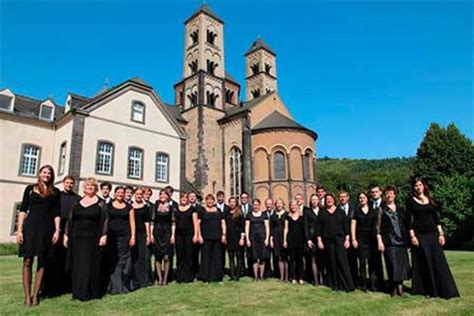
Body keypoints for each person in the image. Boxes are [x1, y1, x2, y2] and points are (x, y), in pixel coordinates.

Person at [406, 177, 459, 299]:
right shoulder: (410, 201)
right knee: (425, 263)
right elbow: (409, 222)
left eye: (420, 185)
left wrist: (441, 234)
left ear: (423, 186)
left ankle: (445, 290)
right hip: (420, 235)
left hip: (433, 235)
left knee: (438, 262)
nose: (418, 187)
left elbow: (437, 219)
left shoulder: (430, 200)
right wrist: (413, 236)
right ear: (413, 188)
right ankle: (428, 290)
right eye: (416, 186)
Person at [16, 165, 60, 306]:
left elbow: (56, 213)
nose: (46, 175)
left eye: (49, 173)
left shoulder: (55, 191)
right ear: (40, 173)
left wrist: (57, 230)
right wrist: (19, 230)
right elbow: (23, 210)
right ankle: (27, 296)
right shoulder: (30, 189)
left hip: (47, 229)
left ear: (51, 176)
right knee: (27, 261)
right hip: (30, 227)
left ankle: (36, 295)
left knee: (42, 262)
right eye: (44, 172)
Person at [63, 177, 108, 301]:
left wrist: (104, 235)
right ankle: (77, 292)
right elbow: (70, 218)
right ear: (84, 188)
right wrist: (66, 234)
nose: (90, 187)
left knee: (90, 265)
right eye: (88, 185)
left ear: (96, 189)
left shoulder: (100, 202)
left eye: (92, 186)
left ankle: (90, 292)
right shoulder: (78, 201)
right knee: (78, 265)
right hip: (77, 238)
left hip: (93, 238)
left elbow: (105, 220)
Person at [43, 175, 80, 296]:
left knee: (68, 259)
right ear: (63, 183)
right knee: (54, 259)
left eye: (71, 183)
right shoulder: (57, 196)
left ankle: (66, 286)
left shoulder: (77, 198)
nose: (69, 185)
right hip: (57, 229)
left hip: (70, 230)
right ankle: (51, 287)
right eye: (67, 183)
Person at [376, 185, 410, 297]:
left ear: (395, 195)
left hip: (401, 242)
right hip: (389, 242)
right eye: (387, 193)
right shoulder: (381, 209)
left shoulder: (401, 208)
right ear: (384, 196)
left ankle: (400, 288)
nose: (389, 195)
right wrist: (380, 241)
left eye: (391, 193)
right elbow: (378, 228)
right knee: (392, 265)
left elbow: (405, 224)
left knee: (402, 266)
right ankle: (393, 289)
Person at [316, 193, 354, 292]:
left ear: (334, 200)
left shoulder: (340, 212)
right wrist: (319, 241)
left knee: (342, 261)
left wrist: (347, 239)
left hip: (340, 240)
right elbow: (319, 228)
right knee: (331, 262)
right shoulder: (322, 212)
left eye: (330, 199)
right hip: (328, 240)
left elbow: (346, 227)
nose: (329, 200)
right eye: (327, 199)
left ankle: (347, 285)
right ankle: (335, 284)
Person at [106, 186, 136, 294]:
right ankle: (114, 285)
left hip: (125, 237)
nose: (120, 194)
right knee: (113, 260)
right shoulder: (108, 206)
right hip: (111, 237)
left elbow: (132, 222)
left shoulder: (129, 207)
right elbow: (105, 220)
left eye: (122, 192)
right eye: (118, 192)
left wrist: (133, 236)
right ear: (114, 194)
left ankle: (123, 283)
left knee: (124, 260)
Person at [197, 194, 227, 283]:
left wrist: (224, 234)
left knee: (217, 257)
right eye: (208, 200)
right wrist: (199, 236)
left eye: (211, 200)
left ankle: (218, 277)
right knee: (206, 258)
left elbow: (223, 223)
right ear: (206, 201)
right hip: (206, 238)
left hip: (217, 237)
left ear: (214, 201)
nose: (209, 202)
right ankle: (206, 278)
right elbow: (198, 224)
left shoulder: (218, 210)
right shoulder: (202, 211)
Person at [351, 191, 376, 291]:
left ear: (367, 199)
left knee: (372, 262)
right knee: (362, 262)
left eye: (364, 197)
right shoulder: (356, 211)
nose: (362, 199)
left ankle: (372, 284)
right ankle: (364, 284)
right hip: (360, 238)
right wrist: (353, 239)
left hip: (371, 238)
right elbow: (353, 225)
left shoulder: (373, 210)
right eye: (360, 198)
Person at [173, 192, 199, 283]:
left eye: (185, 198)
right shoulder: (176, 209)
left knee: (189, 255)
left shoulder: (193, 209)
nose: (184, 199)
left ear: (188, 199)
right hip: (179, 235)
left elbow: (196, 223)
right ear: (180, 199)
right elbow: (174, 223)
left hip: (189, 234)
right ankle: (180, 276)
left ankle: (189, 276)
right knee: (180, 255)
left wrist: (196, 234)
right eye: (182, 198)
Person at [151, 189, 173, 286]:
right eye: (161, 194)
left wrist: (172, 235)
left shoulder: (171, 207)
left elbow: (173, 223)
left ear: (168, 196)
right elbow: (152, 221)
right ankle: (159, 278)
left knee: (167, 256)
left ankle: (165, 278)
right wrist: (151, 234)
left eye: (164, 194)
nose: (162, 196)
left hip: (167, 232)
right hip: (157, 232)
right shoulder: (156, 205)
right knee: (158, 256)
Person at [130, 188, 151, 290]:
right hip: (132, 234)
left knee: (142, 257)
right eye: (137, 194)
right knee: (133, 256)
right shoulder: (130, 207)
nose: (138, 196)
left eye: (140, 194)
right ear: (134, 195)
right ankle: (134, 280)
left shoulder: (145, 207)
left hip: (142, 234)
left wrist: (148, 236)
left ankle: (143, 280)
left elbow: (147, 222)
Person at [245, 199, 270, 282]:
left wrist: (267, 238)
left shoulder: (264, 215)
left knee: (262, 258)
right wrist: (247, 239)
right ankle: (256, 277)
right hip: (253, 238)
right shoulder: (249, 215)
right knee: (254, 258)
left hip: (262, 238)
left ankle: (261, 276)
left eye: (257, 205)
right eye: (254, 205)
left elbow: (267, 227)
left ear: (259, 205)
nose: (256, 206)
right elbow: (247, 227)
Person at [338, 191, 358, 287]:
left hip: (352, 237)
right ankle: (344, 280)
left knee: (353, 260)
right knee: (343, 260)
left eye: (344, 197)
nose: (342, 199)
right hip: (341, 239)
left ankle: (354, 280)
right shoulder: (336, 209)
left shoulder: (354, 209)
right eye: (341, 197)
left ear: (348, 198)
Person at [284, 200, 306, 285]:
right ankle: (293, 277)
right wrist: (285, 240)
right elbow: (286, 229)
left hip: (300, 240)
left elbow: (304, 229)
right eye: (291, 205)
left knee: (300, 260)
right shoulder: (287, 217)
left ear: (297, 206)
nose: (293, 207)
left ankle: (300, 278)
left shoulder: (302, 216)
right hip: (291, 240)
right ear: (290, 207)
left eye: (295, 205)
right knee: (292, 260)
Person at [225, 197, 245, 281]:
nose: (232, 203)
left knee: (239, 256)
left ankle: (237, 275)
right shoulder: (227, 213)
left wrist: (242, 238)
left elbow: (242, 226)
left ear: (236, 203)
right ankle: (232, 275)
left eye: (233, 202)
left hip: (238, 237)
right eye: (230, 202)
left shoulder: (240, 213)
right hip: (229, 237)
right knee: (231, 257)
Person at [304, 194, 322, 286]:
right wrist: (308, 239)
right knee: (313, 259)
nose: (314, 201)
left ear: (319, 201)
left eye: (316, 199)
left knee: (322, 259)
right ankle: (316, 280)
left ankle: (322, 279)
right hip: (312, 237)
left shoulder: (322, 211)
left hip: (322, 238)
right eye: (312, 200)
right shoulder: (307, 212)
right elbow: (306, 226)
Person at [369, 185, 385, 291]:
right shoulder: (369, 205)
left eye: (376, 192)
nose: (374, 193)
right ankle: (374, 284)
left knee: (388, 260)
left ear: (380, 192)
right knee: (373, 261)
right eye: (372, 192)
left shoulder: (385, 204)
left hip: (384, 236)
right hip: (371, 237)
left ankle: (385, 283)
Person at [270, 199, 288, 282]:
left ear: (283, 204)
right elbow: (271, 228)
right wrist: (271, 238)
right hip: (276, 237)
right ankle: (281, 277)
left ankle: (287, 277)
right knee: (279, 257)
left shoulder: (287, 214)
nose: (279, 205)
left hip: (285, 237)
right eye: (277, 203)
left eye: (280, 203)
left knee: (285, 257)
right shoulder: (273, 215)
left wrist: (286, 240)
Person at [189, 191, 203, 277]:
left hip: (197, 232)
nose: (192, 198)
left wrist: (198, 234)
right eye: (190, 196)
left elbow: (201, 221)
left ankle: (196, 271)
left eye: (193, 196)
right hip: (187, 233)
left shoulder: (200, 208)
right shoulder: (184, 207)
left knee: (196, 253)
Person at [143, 187, 155, 284]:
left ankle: (149, 277)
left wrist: (150, 235)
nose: (147, 196)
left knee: (148, 256)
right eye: (146, 194)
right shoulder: (138, 205)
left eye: (149, 194)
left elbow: (152, 221)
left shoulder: (152, 206)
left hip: (149, 233)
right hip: (140, 233)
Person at [240, 192, 252, 276]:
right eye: (242, 197)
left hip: (250, 234)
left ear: (248, 199)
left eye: (245, 197)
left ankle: (250, 270)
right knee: (240, 253)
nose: (244, 199)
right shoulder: (237, 208)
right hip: (240, 234)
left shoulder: (252, 208)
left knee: (250, 253)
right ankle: (242, 270)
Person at [263, 198, 275, 278]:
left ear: (272, 204)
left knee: (276, 256)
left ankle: (277, 272)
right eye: (267, 204)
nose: (268, 205)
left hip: (275, 237)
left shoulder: (276, 214)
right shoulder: (263, 214)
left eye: (270, 204)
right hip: (266, 237)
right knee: (266, 256)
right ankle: (267, 272)